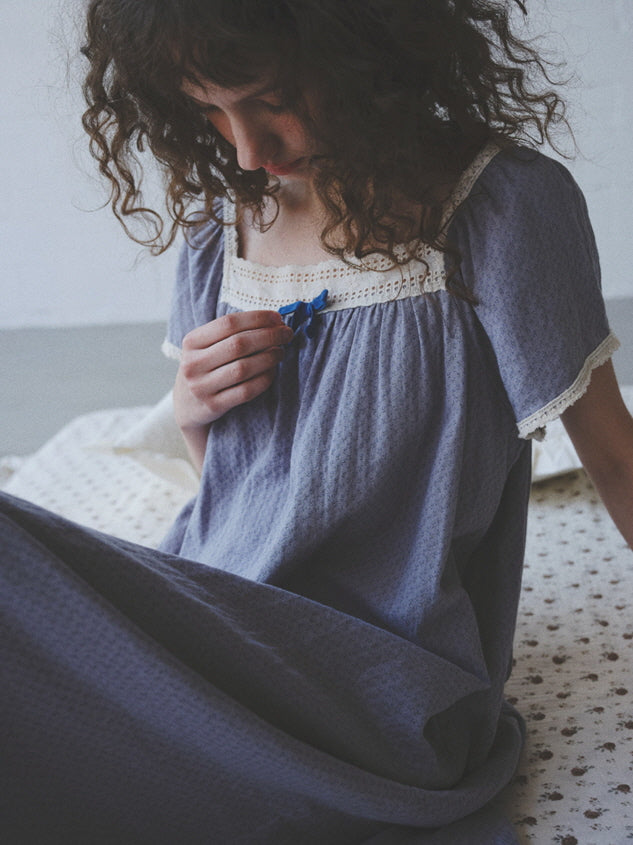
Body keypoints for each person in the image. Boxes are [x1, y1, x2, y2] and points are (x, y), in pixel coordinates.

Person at [1, 0, 632, 842]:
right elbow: (236, 493)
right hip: (207, 616)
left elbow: (615, 459)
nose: (246, 150)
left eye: (269, 99)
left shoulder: (500, 207)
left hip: (379, 686)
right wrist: (194, 408)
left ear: (367, 52)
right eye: (209, 111)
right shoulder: (218, 223)